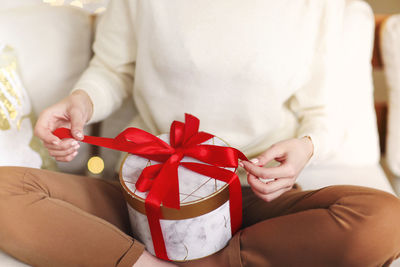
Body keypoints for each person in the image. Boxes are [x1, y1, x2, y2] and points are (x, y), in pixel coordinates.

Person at [1, 0, 400, 266]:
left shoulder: (318, 6)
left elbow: (323, 113)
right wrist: (82, 102)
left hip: (249, 201)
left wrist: (305, 148)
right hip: (144, 200)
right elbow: (113, 69)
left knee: (386, 220)